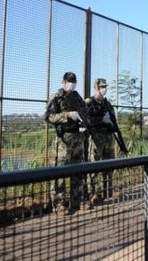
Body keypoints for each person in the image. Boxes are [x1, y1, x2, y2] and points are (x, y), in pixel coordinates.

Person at [45, 72, 90, 215]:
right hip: (63, 140)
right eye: (69, 81)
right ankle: (58, 205)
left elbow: (85, 111)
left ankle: (77, 201)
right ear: (63, 82)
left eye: (74, 81)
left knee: (78, 170)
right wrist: (67, 115)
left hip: (78, 138)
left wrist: (83, 120)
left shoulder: (77, 97)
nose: (72, 84)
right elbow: (48, 116)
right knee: (60, 171)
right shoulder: (56, 97)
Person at [84, 78, 119, 204]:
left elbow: (113, 120)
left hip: (108, 137)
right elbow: (87, 121)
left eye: (105, 86)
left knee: (109, 164)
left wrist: (111, 122)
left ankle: (108, 190)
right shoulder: (89, 103)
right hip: (96, 138)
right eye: (102, 87)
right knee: (94, 166)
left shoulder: (107, 104)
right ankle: (92, 193)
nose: (104, 89)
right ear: (96, 88)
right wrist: (101, 120)